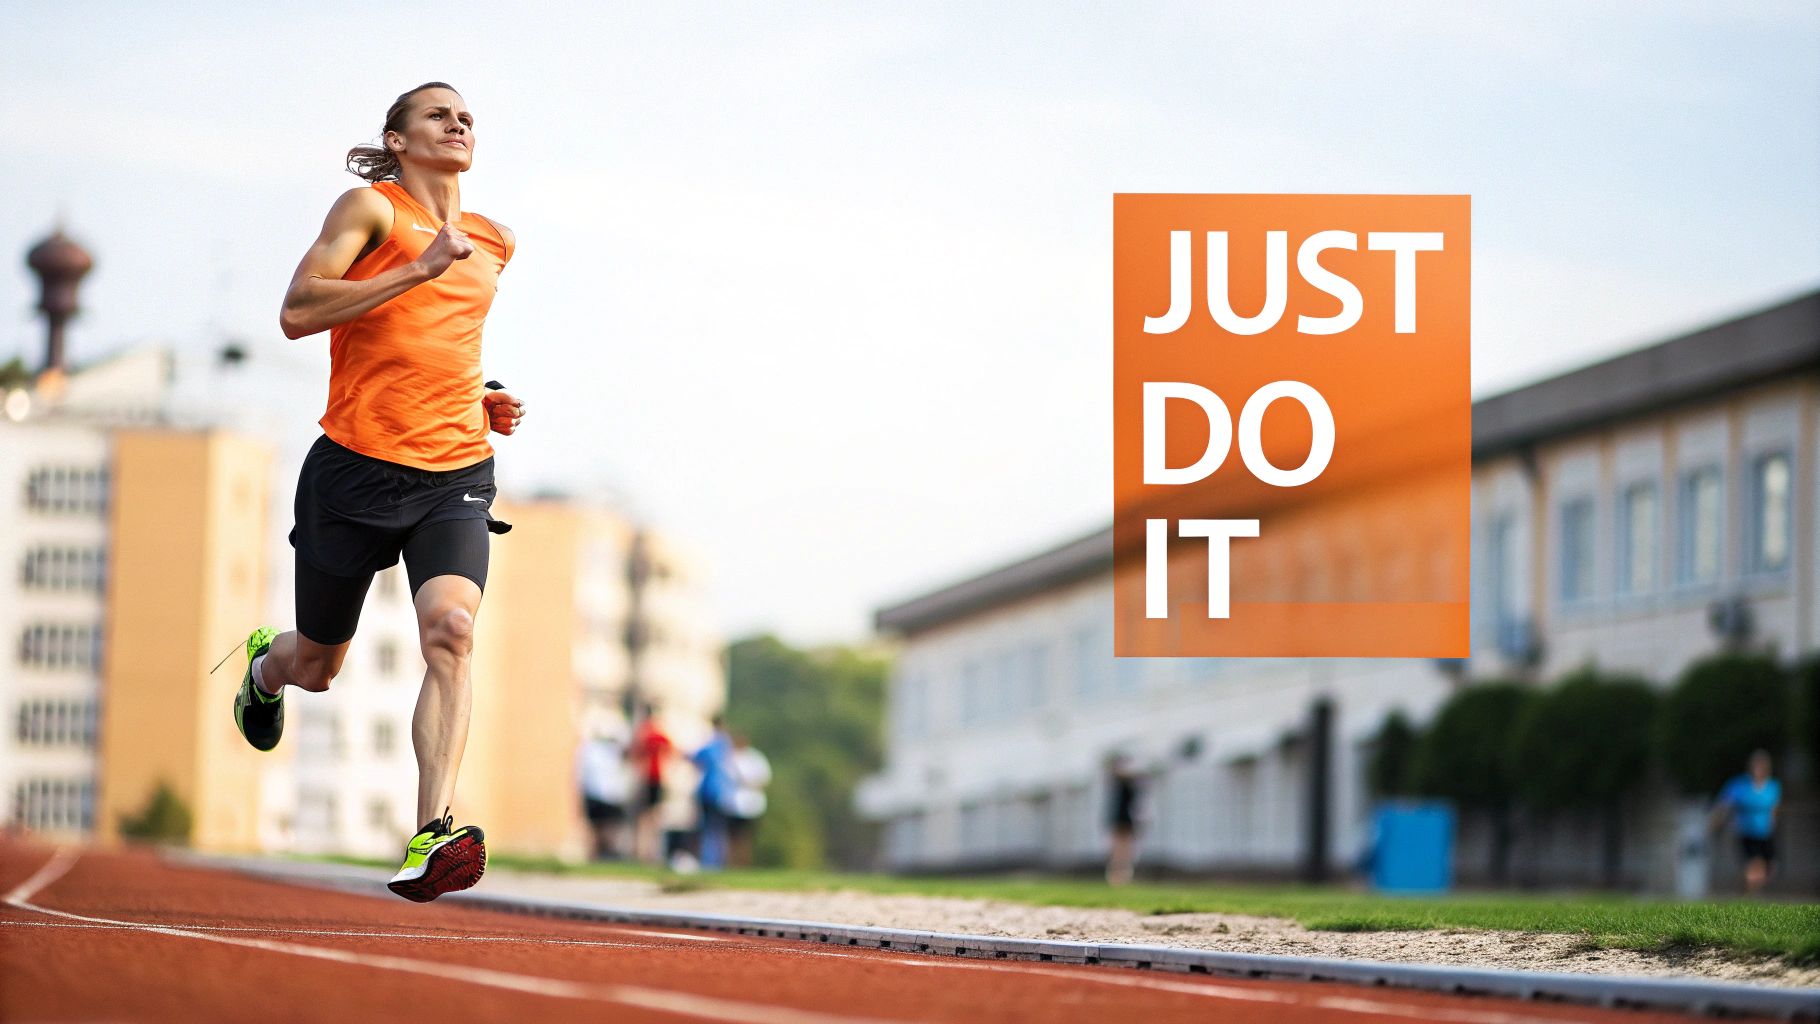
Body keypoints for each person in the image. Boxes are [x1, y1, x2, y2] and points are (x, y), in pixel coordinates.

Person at [228, 82, 523, 903]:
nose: (458, 122)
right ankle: (267, 670)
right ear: (397, 139)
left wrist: (482, 400)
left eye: (467, 113)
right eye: (437, 113)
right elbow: (297, 312)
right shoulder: (371, 210)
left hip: (455, 469)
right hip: (354, 467)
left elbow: (443, 347)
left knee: (452, 631)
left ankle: (433, 832)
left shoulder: (496, 240)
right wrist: (417, 268)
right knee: (321, 667)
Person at [1711, 749, 1782, 895]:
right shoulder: (1740, 785)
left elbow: (1774, 809)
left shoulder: (1773, 787)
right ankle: (1751, 894)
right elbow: (1724, 804)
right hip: (1746, 831)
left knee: (1770, 868)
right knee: (1754, 865)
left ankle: (1749, 889)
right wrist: (1717, 821)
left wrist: (1773, 826)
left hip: (1766, 833)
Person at [577, 725, 631, 860]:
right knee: (600, 827)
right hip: (600, 794)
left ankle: (604, 853)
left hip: (605, 794)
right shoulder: (590, 750)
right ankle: (597, 854)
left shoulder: (598, 750)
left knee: (607, 826)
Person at [691, 717, 737, 870]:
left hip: (710, 791)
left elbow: (696, 758)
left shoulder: (712, 744)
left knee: (709, 828)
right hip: (723, 792)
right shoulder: (727, 746)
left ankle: (709, 861)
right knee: (719, 829)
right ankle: (717, 861)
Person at [630, 707, 674, 863]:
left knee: (645, 817)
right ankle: (648, 851)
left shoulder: (644, 733)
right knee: (652, 816)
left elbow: (633, 754)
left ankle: (645, 851)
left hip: (648, 778)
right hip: (655, 778)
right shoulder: (657, 734)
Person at [727, 734, 771, 868]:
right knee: (733, 836)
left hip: (751, 804)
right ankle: (732, 863)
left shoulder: (755, 758)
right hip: (733, 804)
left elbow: (763, 780)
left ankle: (744, 863)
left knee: (747, 836)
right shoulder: (730, 757)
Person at [1105, 753, 1143, 886]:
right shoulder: (1118, 780)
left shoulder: (1132, 783)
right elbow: (1115, 772)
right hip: (1118, 816)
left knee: (1126, 848)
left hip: (1128, 816)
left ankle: (1124, 875)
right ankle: (1115, 875)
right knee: (1117, 848)